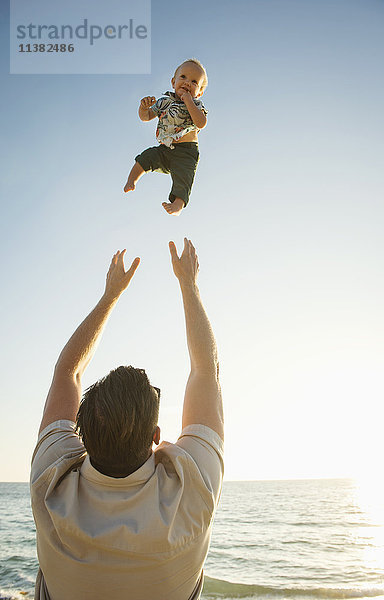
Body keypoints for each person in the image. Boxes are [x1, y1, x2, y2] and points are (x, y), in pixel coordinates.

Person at [30, 239, 223, 600]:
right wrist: (189, 284)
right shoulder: (193, 497)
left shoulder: (50, 487)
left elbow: (67, 372)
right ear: (156, 435)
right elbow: (206, 371)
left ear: (82, 436)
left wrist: (110, 295)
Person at [123, 59, 208, 216]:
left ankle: (178, 204)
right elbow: (146, 116)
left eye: (194, 81)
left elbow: (201, 123)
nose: (187, 83)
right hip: (165, 149)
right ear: (173, 81)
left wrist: (188, 101)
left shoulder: (196, 105)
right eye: (183, 77)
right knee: (147, 156)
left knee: (184, 177)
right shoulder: (164, 102)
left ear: (200, 92)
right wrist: (143, 108)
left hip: (186, 152)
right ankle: (132, 180)